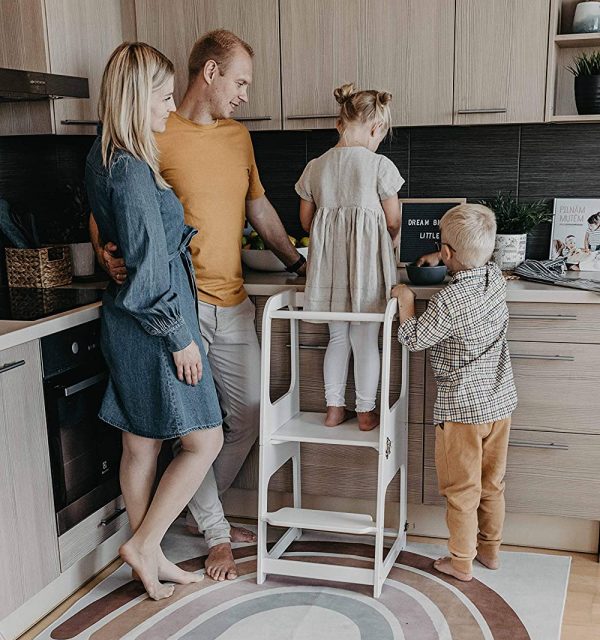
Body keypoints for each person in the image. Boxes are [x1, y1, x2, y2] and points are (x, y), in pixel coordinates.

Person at [91, 30, 305, 582]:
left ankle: (159, 538)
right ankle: (202, 533)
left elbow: (258, 209)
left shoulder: (231, 140)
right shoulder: (147, 137)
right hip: (174, 312)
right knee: (197, 432)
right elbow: (115, 217)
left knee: (239, 415)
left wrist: (299, 264)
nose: (243, 95)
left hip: (218, 303)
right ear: (209, 73)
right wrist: (105, 251)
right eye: (240, 81)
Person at [85, 42, 223, 601]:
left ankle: (150, 555)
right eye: (163, 97)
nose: (171, 108)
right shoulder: (134, 172)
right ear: (136, 97)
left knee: (141, 444)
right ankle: (146, 546)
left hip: (129, 322)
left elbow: (114, 235)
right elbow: (147, 265)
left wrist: (106, 251)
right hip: (153, 326)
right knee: (205, 440)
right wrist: (179, 337)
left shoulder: (102, 157)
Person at [394, 204, 518, 582]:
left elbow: (413, 338)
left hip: (461, 411)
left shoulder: (447, 301)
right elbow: (469, 262)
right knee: (492, 484)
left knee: (463, 489)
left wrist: (406, 301)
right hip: (499, 404)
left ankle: (461, 561)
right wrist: (445, 255)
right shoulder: (495, 277)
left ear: (447, 253)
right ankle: (491, 551)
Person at [295, 83, 402, 431]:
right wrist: (391, 237)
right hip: (366, 271)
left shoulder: (315, 166)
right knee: (365, 339)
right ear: (375, 128)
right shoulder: (379, 166)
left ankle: (333, 408)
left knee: (337, 338)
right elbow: (393, 219)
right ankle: (367, 411)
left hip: (328, 271)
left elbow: (305, 220)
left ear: (341, 122)